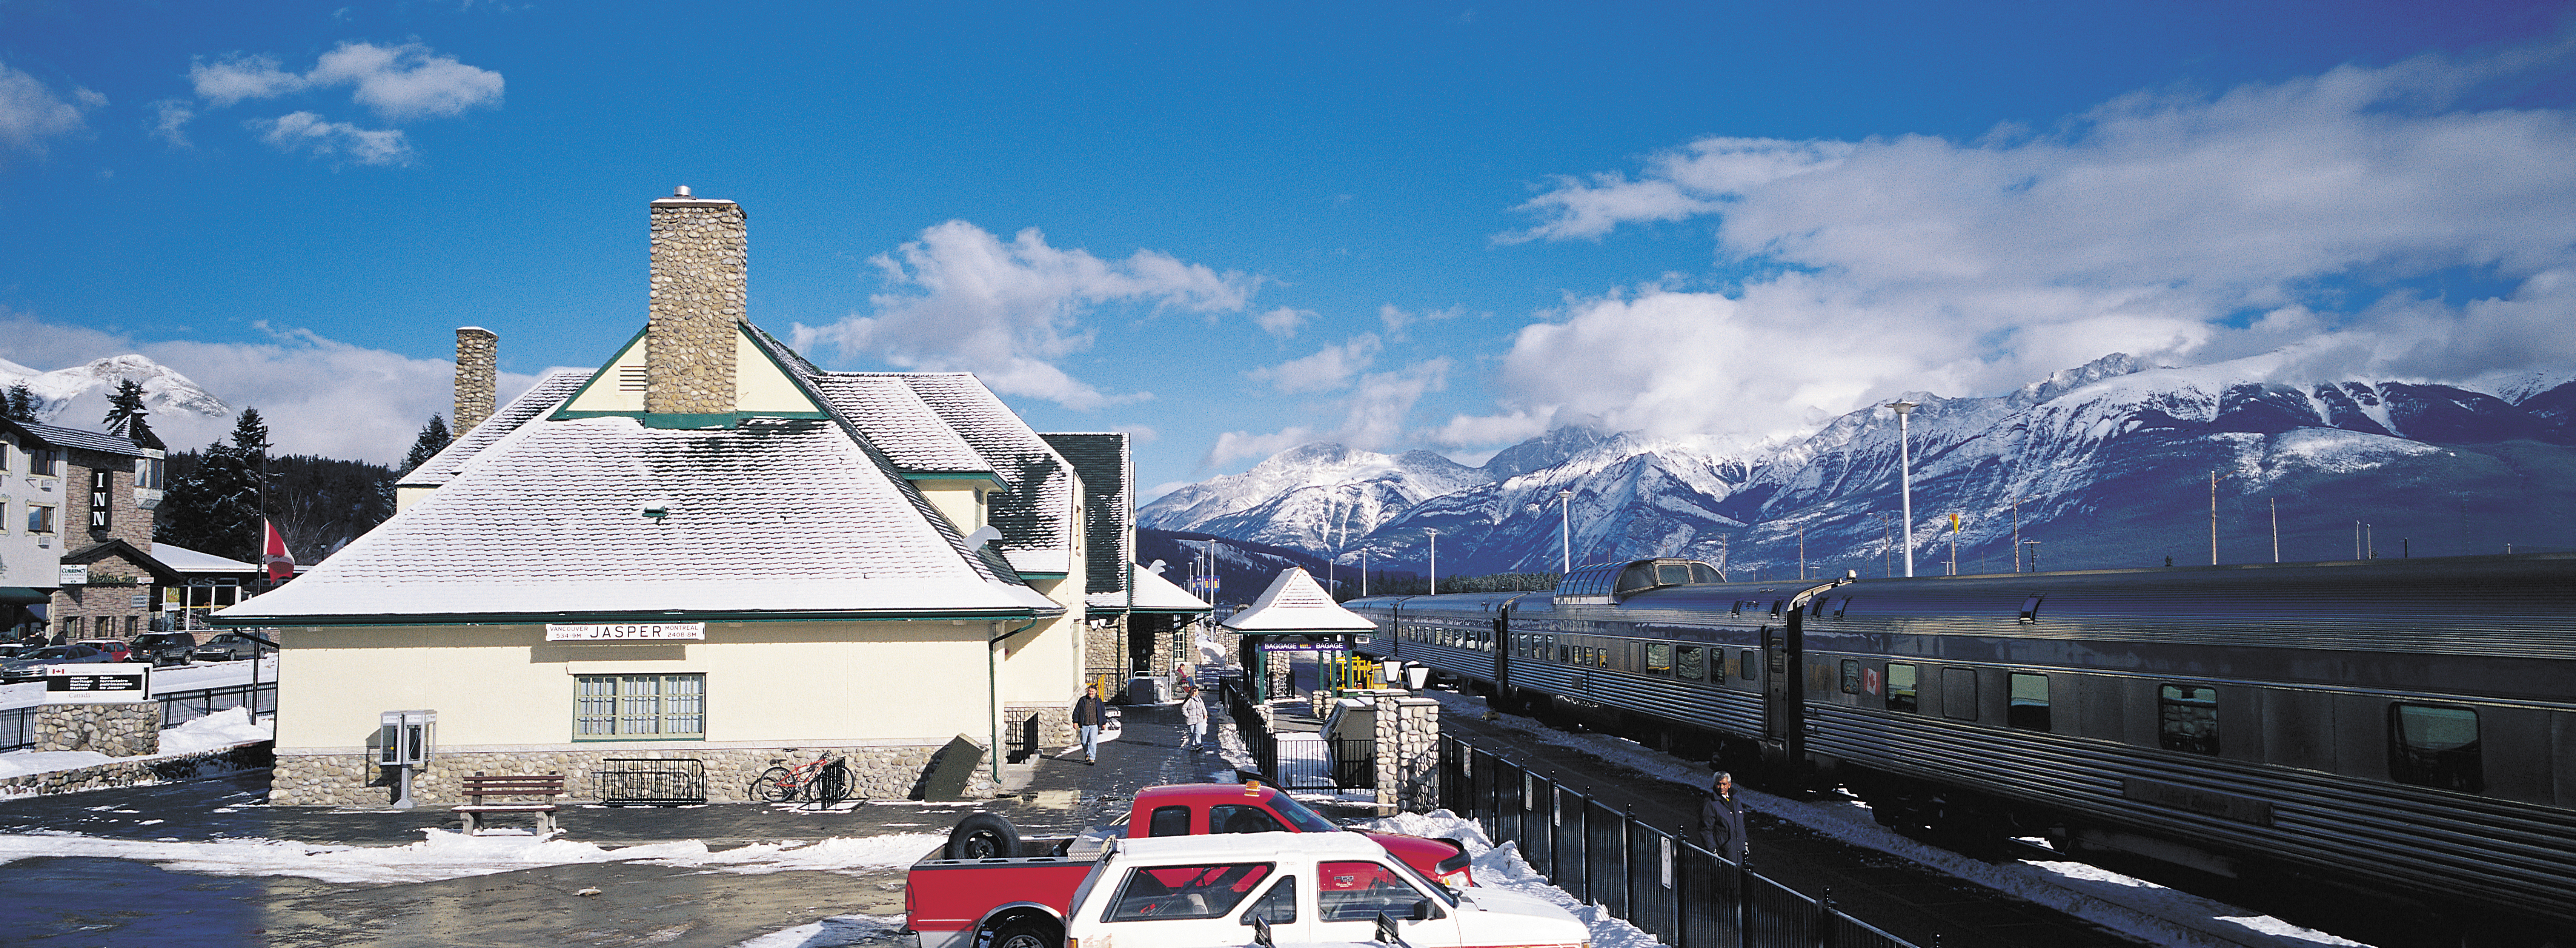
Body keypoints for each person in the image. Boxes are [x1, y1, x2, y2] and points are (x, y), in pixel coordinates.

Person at [1699, 770, 1749, 865]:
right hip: (1724, 856)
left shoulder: (1736, 802)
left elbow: (1741, 825)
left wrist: (1745, 844)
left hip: (1741, 856)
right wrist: (1713, 851)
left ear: (1729, 785)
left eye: (1724, 784)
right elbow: (1706, 829)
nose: (1722, 787)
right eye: (1719, 784)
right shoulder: (1711, 804)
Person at [1073, 684, 1106, 765]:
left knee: (1093, 741)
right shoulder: (1083, 700)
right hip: (1085, 724)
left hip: (1095, 725)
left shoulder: (1099, 702)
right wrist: (1075, 722)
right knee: (1084, 742)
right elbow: (1077, 711)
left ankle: (1092, 758)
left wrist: (1104, 723)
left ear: (1096, 692)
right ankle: (1087, 753)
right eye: (1089, 691)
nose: (1090, 693)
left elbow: (1103, 713)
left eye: (1092, 691)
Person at [1180, 684, 1209, 751]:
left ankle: (1199, 744)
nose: (1198, 691)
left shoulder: (1199, 698)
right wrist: (1188, 715)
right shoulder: (1190, 700)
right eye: (1197, 690)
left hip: (1199, 719)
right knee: (1193, 733)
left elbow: (1203, 706)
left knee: (1198, 732)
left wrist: (1205, 714)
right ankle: (1193, 745)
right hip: (1192, 720)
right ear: (1194, 692)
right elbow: (1184, 708)